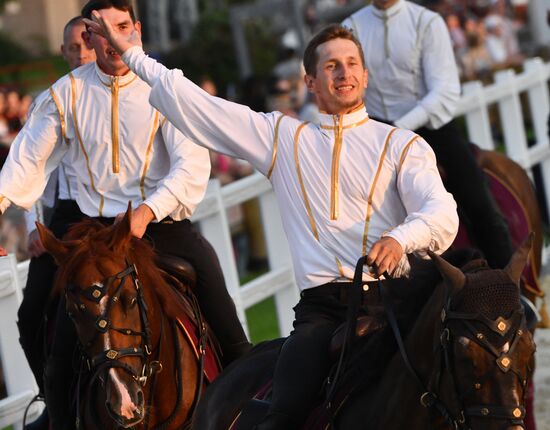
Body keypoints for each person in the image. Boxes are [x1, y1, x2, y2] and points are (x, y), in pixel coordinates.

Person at [84, 18, 459, 429]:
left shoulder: (403, 144)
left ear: (365, 76)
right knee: (284, 413)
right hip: (325, 314)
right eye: (331, 66)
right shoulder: (284, 138)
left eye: (352, 63)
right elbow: (202, 107)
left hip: (401, 301)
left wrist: (400, 238)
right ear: (311, 82)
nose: (344, 72)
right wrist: (134, 55)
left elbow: (441, 213)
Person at [0, 1, 250, 428]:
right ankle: (58, 415)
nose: (112, 38)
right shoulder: (64, 94)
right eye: (100, 30)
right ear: (89, 39)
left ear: (136, 30)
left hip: (159, 223)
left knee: (222, 312)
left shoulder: (166, 86)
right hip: (90, 232)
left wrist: (148, 211)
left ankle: (246, 403)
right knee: (51, 342)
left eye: (121, 26)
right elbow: (26, 159)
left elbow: (192, 164)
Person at [342, 0, 513, 270]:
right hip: (375, 136)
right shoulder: (350, 27)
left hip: (431, 128)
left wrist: (399, 127)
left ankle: (510, 291)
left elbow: (442, 90)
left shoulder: (427, 22)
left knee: (479, 204)